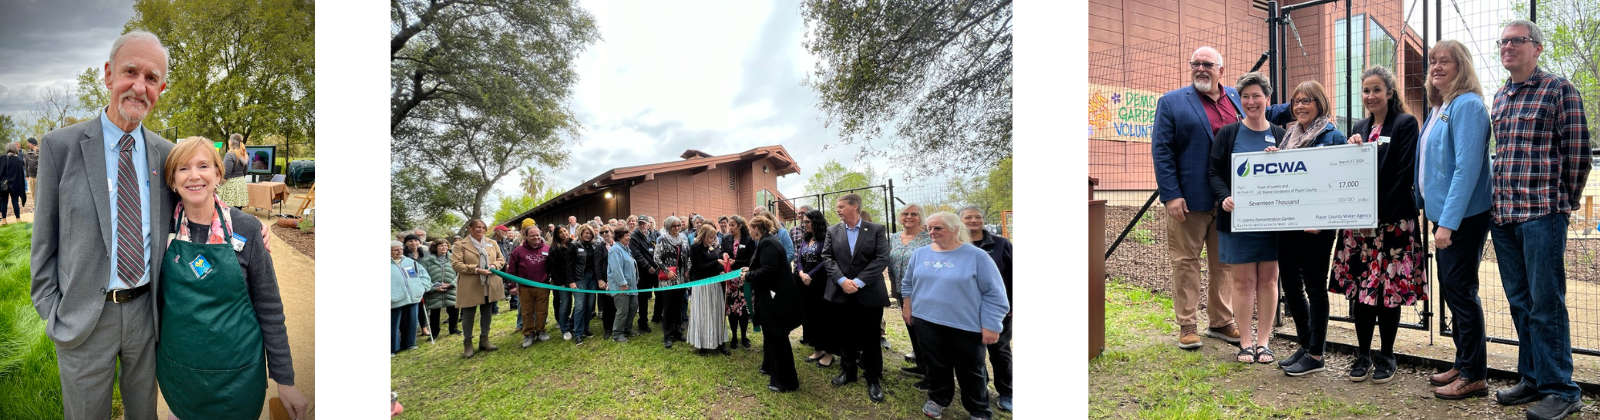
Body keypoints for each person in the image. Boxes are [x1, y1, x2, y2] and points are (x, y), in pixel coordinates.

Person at [30, 31, 177, 420]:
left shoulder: (166, 154)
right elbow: (43, 241)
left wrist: (247, 226)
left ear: (160, 88)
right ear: (109, 75)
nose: (139, 86)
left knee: (143, 413)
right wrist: (53, 310)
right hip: (82, 318)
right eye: (131, 71)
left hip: (147, 315)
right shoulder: (59, 146)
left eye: (152, 78)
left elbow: (201, 200)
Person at [150, 136, 307, 419]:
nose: (194, 175)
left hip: (239, 376)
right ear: (172, 180)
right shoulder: (161, 228)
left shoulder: (246, 228)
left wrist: (285, 382)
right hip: (180, 375)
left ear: (218, 174)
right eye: (183, 168)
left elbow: (270, 308)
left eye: (203, 166)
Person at [1487, 21, 1592, 420]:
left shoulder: (1558, 90)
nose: (1508, 47)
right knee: (1520, 302)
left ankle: (1562, 389)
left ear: (1538, 48)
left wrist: (1563, 202)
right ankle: (1532, 378)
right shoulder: (1501, 96)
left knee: (1546, 304)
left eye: (1517, 40)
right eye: (1504, 42)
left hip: (1542, 213)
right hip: (1505, 215)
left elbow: (1578, 153)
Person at [1325, 66, 1427, 384]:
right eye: (1366, 90)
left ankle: (1387, 355)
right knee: (1361, 290)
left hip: (1392, 222)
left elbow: (1403, 173)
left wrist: (1375, 212)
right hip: (1360, 226)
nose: (1370, 96)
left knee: (1387, 292)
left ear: (1390, 92)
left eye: (1377, 90)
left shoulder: (1405, 124)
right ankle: (1363, 354)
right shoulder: (1359, 127)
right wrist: (1353, 148)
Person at [1415, 39, 1495, 401]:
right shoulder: (1440, 107)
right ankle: (1464, 363)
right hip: (1443, 216)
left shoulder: (1468, 106)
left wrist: (1447, 223)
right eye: (1433, 62)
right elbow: (1430, 164)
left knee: (1461, 293)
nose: (1437, 67)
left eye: (1445, 61)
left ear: (1461, 66)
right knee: (1452, 290)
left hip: (1462, 218)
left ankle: (1475, 375)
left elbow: (1466, 169)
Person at [1150, 46, 1243, 349]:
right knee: (1186, 262)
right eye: (1196, 64)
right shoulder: (1172, 102)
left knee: (1224, 263)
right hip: (1189, 200)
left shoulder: (1236, 98)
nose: (1201, 69)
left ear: (1221, 71)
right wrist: (1171, 195)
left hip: (1229, 199)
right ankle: (1187, 324)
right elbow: (1162, 151)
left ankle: (1221, 321)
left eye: (1207, 64)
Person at [1206, 71, 1288, 364]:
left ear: (1267, 99)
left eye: (1256, 96)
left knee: (1268, 280)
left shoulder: (1281, 135)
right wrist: (1224, 196)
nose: (1251, 101)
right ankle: (1245, 342)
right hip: (1237, 221)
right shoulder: (1228, 134)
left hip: (1272, 223)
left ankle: (1264, 342)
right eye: (1245, 96)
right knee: (1242, 283)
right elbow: (1214, 173)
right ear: (1240, 101)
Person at [902, 211, 1008, 420]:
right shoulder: (920, 254)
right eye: (929, 228)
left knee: (971, 370)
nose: (932, 232)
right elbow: (908, 283)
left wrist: (992, 325)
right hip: (926, 322)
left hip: (965, 326)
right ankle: (938, 399)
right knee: (936, 364)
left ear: (955, 229)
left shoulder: (977, 256)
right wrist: (908, 307)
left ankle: (979, 410)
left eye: (938, 228)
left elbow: (995, 293)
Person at [1273, 79, 1346, 374]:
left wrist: (1325, 217)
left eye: (1307, 101)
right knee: (1290, 282)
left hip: (1317, 224)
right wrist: (1272, 161)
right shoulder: (1287, 136)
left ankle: (1316, 354)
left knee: (1315, 286)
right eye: (1296, 101)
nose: (1300, 106)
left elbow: (1339, 181)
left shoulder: (1332, 136)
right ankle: (1305, 344)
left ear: (1320, 104)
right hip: (1289, 220)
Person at [820, 193, 893, 403]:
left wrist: (858, 282)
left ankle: (873, 378)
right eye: (837, 207)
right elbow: (827, 257)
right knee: (845, 335)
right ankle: (848, 372)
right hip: (841, 292)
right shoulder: (833, 230)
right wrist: (842, 280)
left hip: (868, 292)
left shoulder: (877, 230)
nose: (837, 210)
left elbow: (882, 258)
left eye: (841, 206)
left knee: (871, 337)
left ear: (855, 207)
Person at [742, 215, 804, 392]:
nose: (750, 232)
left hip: (775, 298)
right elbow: (765, 265)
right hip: (770, 296)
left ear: (757, 229)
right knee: (770, 335)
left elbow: (769, 270)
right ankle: (769, 366)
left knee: (777, 337)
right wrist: (751, 269)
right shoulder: (767, 241)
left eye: (751, 229)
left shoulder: (768, 243)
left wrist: (749, 276)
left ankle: (786, 381)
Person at [960, 205, 1013, 412]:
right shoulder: (956, 246)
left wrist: (1013, 303)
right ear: (960, 222)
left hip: (998, 310)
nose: (973, 221)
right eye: (968, 217)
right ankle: (981, 387)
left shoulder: (1001, 244)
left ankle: (1007, 392)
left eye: (978, 217)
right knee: (973, 354)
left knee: (999, 350)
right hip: (967, 311)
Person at [451, 219, 507, 359]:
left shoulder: (492, 243)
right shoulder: (460, 245)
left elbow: (501, 259)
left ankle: (484, 339)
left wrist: (494, 265)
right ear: (470, 228)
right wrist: (476, 270)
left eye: (483, 227)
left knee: (487, 311)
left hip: (490, 282)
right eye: (478, 227)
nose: (480, 230)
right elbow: (456, 264)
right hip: (471, 283)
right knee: (468, 314)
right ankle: (468, 343)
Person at [888, 204, 932, 383]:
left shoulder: (928, 237)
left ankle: (932, 373)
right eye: (905, 213)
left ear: (921, 217)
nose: (909, 217)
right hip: (901, 290)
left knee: (926, 332)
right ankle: (921, 365)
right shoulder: (894, 237)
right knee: (911, 326)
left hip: (924, 292)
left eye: (914, 214)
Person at [796, 209, 837, 368]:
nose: (804, 224)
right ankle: (818, 348)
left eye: (807, 222)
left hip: (821, 281)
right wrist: (801, 272)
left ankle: (829, 353)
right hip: (806, 282)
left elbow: (826, 260)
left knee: (823, 317)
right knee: (810, 316)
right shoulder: (807, 238)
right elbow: (800, 257)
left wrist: (809, 274)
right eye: (803, 222)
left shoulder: (826, 237)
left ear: (816, 222)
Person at [687, 224, 732, 355]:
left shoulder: (712, 247)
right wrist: (716, 263)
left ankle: (720, 342)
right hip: (702, 286)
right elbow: (699, 268)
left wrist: (721, 270)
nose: (712, 240)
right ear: (703, 235)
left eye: (713, 238)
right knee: (703, 314)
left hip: (715, 284)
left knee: (717, 312)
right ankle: (703, 345)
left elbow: (716, 265)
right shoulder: (695, 247)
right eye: (710, 237)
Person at [508, 225, 553, 348]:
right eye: (532, 235)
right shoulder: (518, 251)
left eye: (537, 235)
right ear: (526, 236)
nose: (536, 237)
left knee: (542, 310)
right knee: (527, 311)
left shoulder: (547, 249)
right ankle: (528, 334)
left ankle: (541, 331)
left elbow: (552, 266)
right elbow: (511, 269)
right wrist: (512, 286)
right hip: (525, 287)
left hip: (542, 285)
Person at [654, 216, 690, 348]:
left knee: (679, 305)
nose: (677, 228)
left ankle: (678, 331)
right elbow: (657, 258)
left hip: (681, 279)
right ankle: (668, 335)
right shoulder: (662, 240)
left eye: (679, 225)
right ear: (669, 226)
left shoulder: (684, 239)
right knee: (668, 307)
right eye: (674, 225)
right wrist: (667, 271)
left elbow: (688, 256)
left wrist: (688, 269)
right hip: (668, 279)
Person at [722, 215, 757, 349]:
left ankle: (744, 336)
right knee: (731, 310)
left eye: (732, 225)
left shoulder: (748, 240)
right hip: (730, 280)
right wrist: (724, 256)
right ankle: (734, 337)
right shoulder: (725, 238)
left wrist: (736, 262)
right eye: (729, 225)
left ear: (740, 226)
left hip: (743, 279)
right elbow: (721, 254)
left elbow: (751, 260)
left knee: (742, 309)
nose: (729, 228)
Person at [570, 225, 607, 345]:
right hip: (580, 279)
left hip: (592, 279)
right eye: (586, 233)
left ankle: (586, 328)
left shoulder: (594, 245)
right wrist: (571, 281)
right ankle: (578, 333)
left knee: (589, 305)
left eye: (590, 233)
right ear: (581, 233)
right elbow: (569, 265)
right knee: (580, 305)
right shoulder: (574, 246)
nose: (588, 235)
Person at [392, 241, 430, 355]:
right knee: (392, 325)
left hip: (412, 297)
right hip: (393, 300)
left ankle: (409, 343)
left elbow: (423, 275)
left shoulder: (409, 262)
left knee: (411, 322)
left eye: (400, 249)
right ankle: (392, 348)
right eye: (396, 250)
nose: (399, 251)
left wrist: (422, 287)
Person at [421, 239, 460, 338]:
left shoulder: (454, 259)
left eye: (446, 246)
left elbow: (459, 273)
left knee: (454, 309)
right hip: (435, 289)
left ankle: (453, 328)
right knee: (434, 312)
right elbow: (423, 276)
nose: (444, 248)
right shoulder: (426, 261)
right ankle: (434, 333)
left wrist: (452, 284)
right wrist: (432, 287)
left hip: (451, 288)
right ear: (435, 247)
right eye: (441, 246)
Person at [629, 215, 660, 334]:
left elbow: (657, 250)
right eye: (640, 223)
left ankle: (657, 317)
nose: (642, 226)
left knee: (659, 295)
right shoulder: (634, 236)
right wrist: (648, 267)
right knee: (643, 299)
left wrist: (657, 266)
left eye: (644, 223)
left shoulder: (653, 235)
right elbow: (637, 255)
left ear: (648, 224)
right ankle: (643, 323)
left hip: (656, 271)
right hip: (643, 272)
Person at [607, 228, 639, 342]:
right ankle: (617, 334)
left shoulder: (626, 249)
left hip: (632, 286)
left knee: (633, 307)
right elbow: (616, 268)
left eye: (629, 235)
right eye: (627, 235)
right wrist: (622, 283)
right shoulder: (615, 250)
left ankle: (627, 328)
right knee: (622, 311)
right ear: (619, 237)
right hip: (621, 286)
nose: (629, 237)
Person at [218, 134, 249, 207]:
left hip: (231, 185)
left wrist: (219, 186)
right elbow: (245, 171)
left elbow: (227, 173)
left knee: (229, 209)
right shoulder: (244, 154)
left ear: (231, 142)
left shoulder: (230, 154)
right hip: (241, 183)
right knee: (238, 208)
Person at [0, 143, 24, 223]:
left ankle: (3, 219)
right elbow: (20, 175)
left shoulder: (2, 158)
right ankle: (18, 218)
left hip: (3, 184)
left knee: (4, 201)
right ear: (15, 150)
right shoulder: (18, 160)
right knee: (15, 201)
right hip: (15, 184)